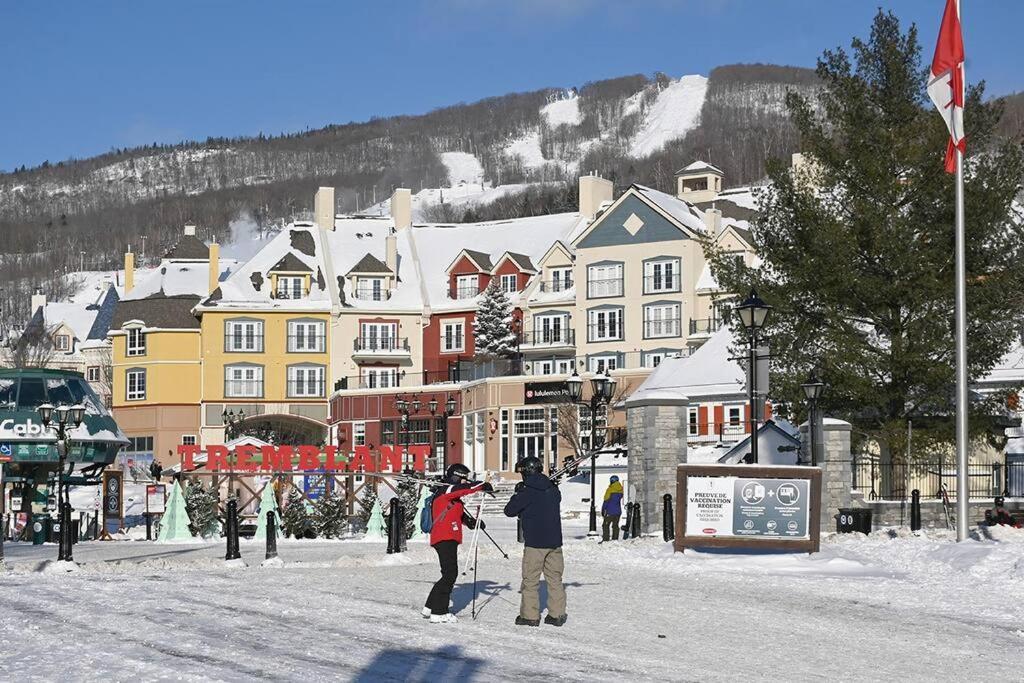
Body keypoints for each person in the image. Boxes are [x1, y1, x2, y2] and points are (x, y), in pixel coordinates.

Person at [422, 463, 492, 624]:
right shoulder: (446, 490)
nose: (464, 482)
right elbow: (463, 489)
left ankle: (429, 607)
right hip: (444, 538)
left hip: (449, 537)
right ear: (456, 476)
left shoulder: (453, 497)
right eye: (463, 479)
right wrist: (481, 485)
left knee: (447, 574)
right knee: (450, 574)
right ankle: (439, 612)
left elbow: (457, 515)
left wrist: (472, 522)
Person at [503, 456, 566, 627]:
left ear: (526, 471)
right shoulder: (552, 489)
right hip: (554, 542)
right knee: (555, 579)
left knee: (531, 580)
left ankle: (530, 616)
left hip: (535, 544)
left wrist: (518, 493)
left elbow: (509, 511)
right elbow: (554, 498)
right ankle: (557, 614)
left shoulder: (527, 491)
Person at [601, 475, 624, 542]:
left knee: (605, 525)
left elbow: (606, 500)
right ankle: (615, 539)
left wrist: (603, 510)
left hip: (610, 511)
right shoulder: (621, 489)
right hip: (618, 511)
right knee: (615, 526)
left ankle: (605, 539)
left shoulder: (610, 489)